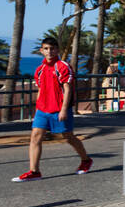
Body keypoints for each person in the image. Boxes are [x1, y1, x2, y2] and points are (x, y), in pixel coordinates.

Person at [13, 37, 92, 181]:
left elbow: (67, 89)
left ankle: (86, 160)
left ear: (57, 50)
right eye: (46, 49)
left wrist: (63, 109)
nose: (49, 51)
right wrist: (37, 108)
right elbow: (41, 90)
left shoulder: (63, 66)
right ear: (41, 50)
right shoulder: (40, 70)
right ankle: (34, 171)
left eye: (52, 48)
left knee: (68, 137)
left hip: (59, 109)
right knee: (35, 137)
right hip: (43, 111)